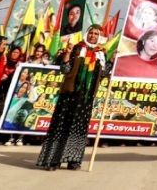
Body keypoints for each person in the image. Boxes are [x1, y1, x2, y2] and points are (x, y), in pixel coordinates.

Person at [37, 24, 109, 171]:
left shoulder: (101, 54)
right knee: (62, 126)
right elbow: (65, 69)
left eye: (96, 33)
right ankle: (53, 160)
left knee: (79, 128)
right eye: (91, 33)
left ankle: (73, 159)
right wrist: (67, 54)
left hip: (85, 97)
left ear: (99, 36)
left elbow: (103, 74)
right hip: (70, 94)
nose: (93, 36)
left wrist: (113, 63)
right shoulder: (77, 48)